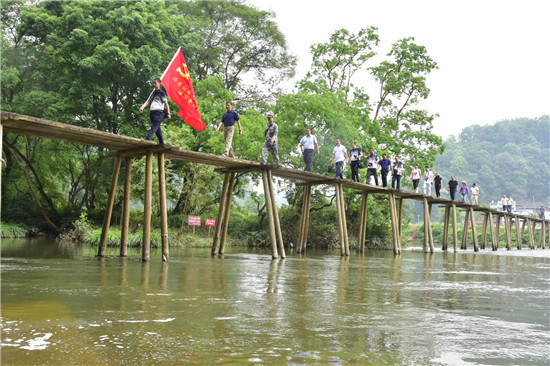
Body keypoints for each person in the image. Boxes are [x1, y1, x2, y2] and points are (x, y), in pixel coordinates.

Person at [139, 78, 171, 144]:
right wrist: (142, 107)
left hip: (159, 113)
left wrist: (168, 113)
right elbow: (148, 102)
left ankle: (146, 139)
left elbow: (166, 104)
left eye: (155, 83)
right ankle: (162, 143)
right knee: (157, 129)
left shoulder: (162, 93)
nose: (153, 84)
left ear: (159, 84)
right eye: (153, 83)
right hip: (152, 113)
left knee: (154, 127)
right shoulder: (153, 93)